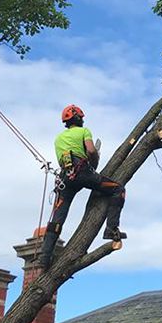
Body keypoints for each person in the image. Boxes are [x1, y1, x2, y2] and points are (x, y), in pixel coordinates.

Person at [37, 104, 127, 269]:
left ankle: (44, 258)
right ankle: (111, 229)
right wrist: (93, 164)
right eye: (82, 117)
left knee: (57, 219)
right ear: (78, 118)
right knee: (118, 189)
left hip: (66, 178)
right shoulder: (84, 132)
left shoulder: (58, 138)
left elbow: (62, 161)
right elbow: (91, 151)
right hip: (83, 172)